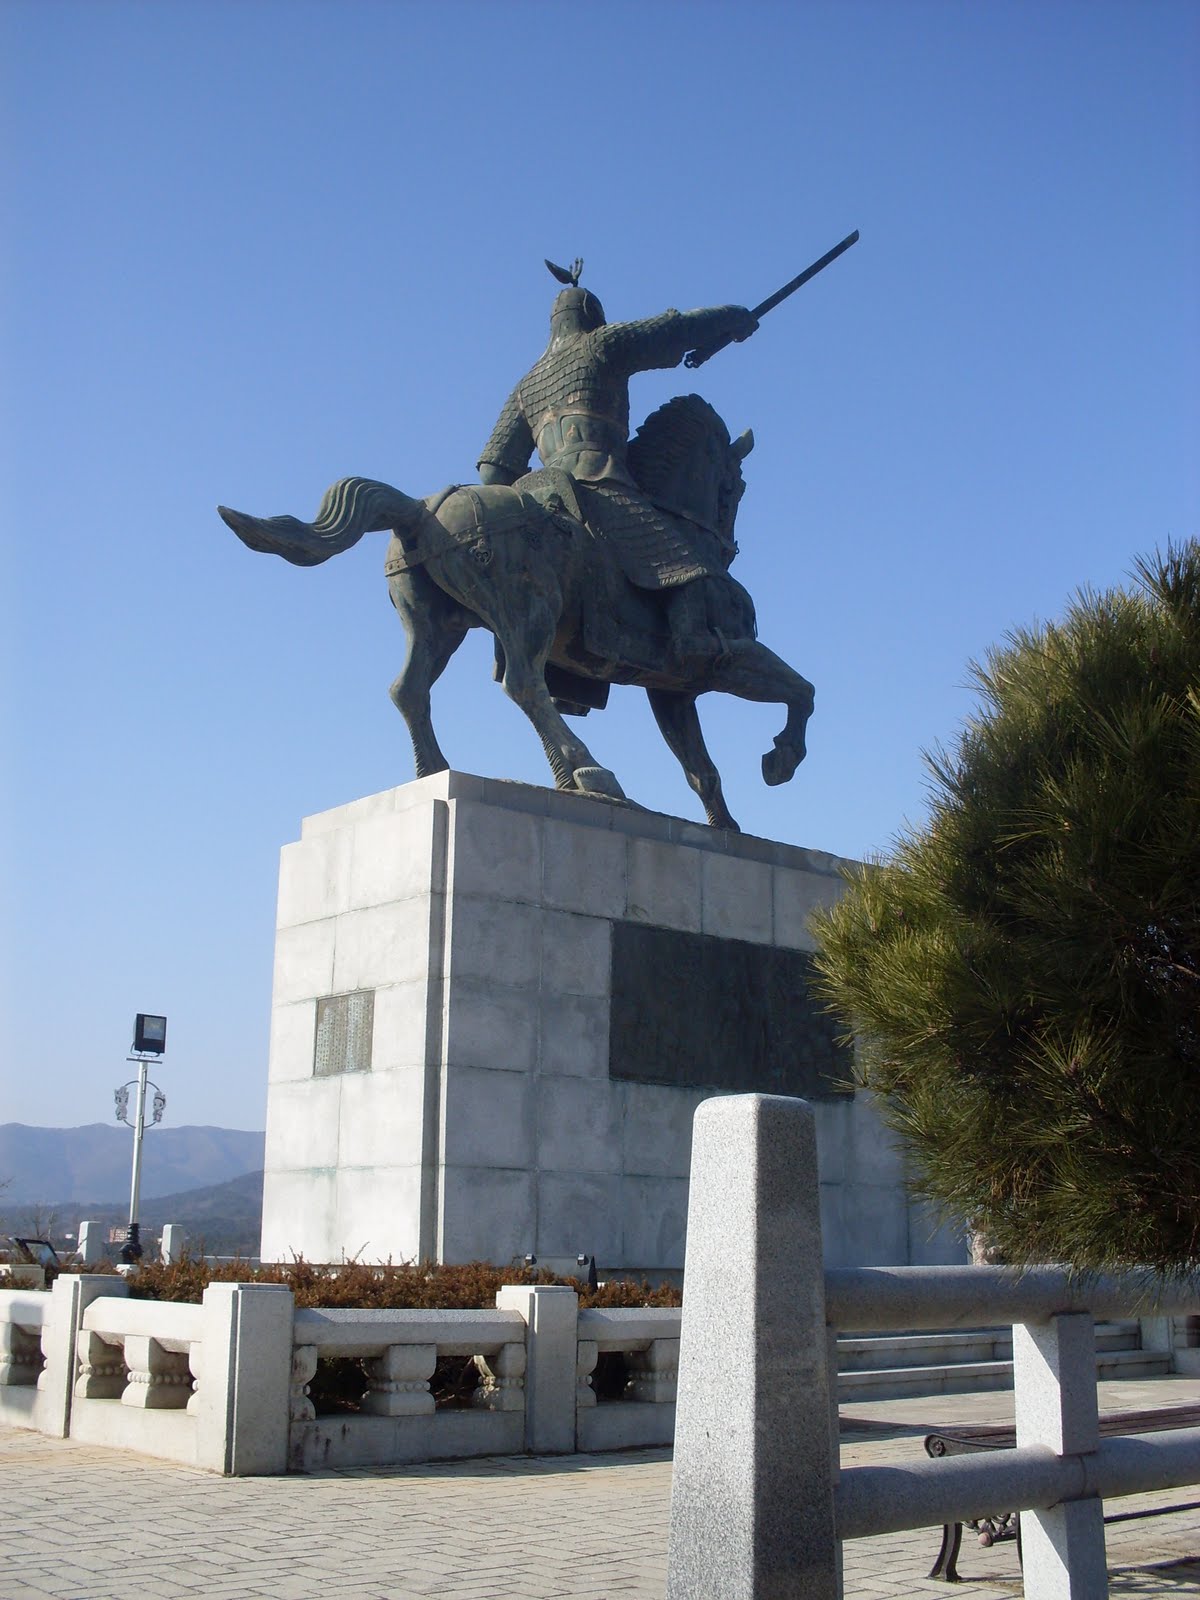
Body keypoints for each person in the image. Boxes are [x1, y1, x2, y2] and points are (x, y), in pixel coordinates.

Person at [477, 270, 758, 664]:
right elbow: (671, 330)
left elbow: (493, 472)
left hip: (543, 496)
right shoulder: (599, 346)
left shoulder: (526, 386)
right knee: (689, 571)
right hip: (603, 487)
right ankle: (688, 652)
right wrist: (732, 317)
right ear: (593, 315)